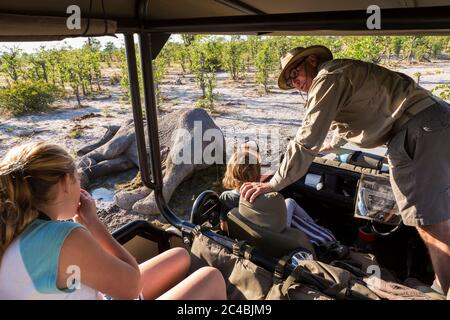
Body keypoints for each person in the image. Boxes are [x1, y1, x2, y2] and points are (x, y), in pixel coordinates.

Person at [240, 45, 450, 295]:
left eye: (295, 74)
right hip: (433, 121)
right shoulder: (341, 73)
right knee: (441, 210)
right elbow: (353, 114)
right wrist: (331, 146)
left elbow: (306, 138)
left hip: (414, 131)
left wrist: (274, 183)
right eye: (289, 81)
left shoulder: (327, 77)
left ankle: (443, 289)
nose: (295, 82)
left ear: (311, 61)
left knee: (427, 219)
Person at [0, 141, 226, 300]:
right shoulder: (65, 237)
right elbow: (131, 285)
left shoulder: (11, 230)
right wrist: (93, 223)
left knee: (179, 255)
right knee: (211, 277)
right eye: (78, 178)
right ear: (65, 182)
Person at [220, 148, 336, 245]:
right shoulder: (268, 197)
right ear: (257, 173)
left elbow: (224, 227)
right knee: (290, 201)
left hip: (254, 238)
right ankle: (316, 226)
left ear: (230, 173)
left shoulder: (226, 198)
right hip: (278, 234)